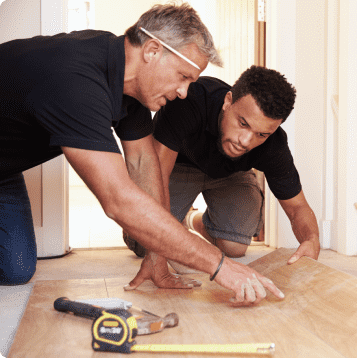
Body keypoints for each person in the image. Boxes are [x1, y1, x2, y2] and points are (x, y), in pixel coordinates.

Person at [0, 3, 284, 307]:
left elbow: (144, 164)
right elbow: (120, 201)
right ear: (151, 50)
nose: (185, 92)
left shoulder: (127, 85)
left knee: (16, 269)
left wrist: (157, 257)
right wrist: (220, 265)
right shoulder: (75, 81)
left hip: (5, 171)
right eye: (183, 76)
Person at [125, 66, 321, 273]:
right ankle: (175, 223)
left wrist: (311, 239)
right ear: (228, 101)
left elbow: (297, 207)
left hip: (230, 174)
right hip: (178, 166)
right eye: (243, 123)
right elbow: (156, 178)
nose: (245, 141)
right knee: (145, 243)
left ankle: (191, 219)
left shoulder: (273, 144)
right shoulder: (189, 101)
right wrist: (172, 246)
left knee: (234, 248)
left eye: (261, 134)